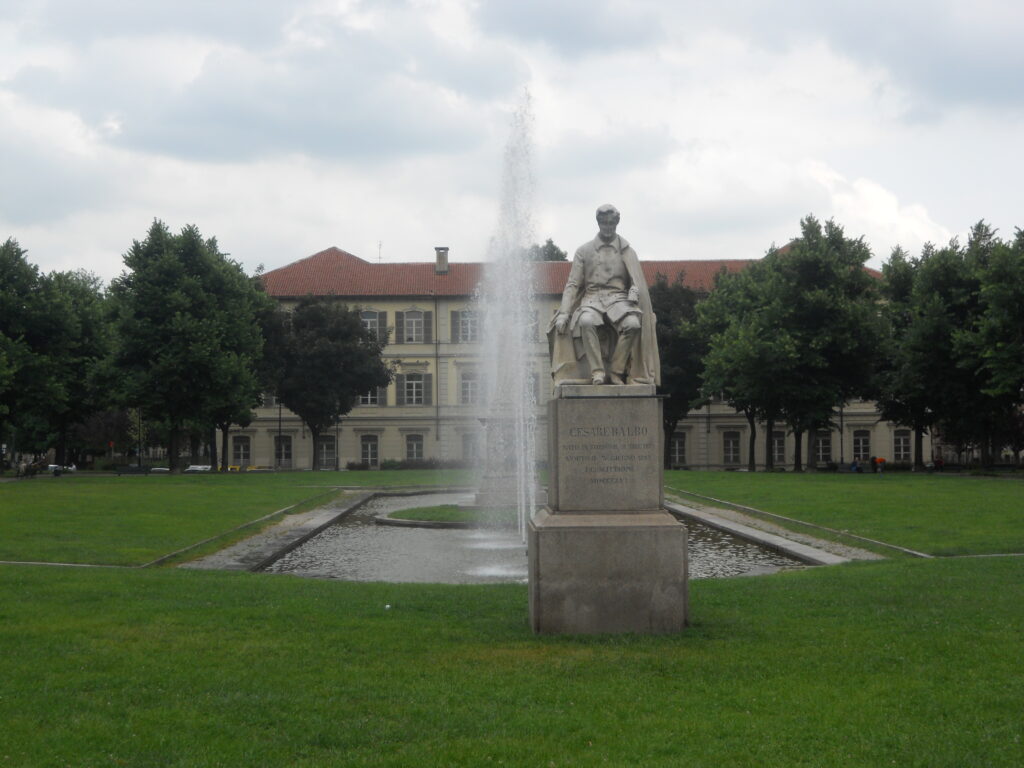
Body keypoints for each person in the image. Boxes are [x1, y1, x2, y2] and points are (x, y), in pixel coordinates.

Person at [548, 204, 660, 386]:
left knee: (633, 324)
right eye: (604, 224)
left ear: (616, 223)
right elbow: (573, 284)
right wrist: (563, 313)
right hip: (592, 299)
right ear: (598, 223)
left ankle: (617, 371)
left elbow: (636, 282)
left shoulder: (627, 252)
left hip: (619, 299)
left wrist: (634, 290)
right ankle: (597, 372)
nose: (608, 228)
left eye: (611, 224)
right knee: (586, 321)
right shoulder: (584, 251)